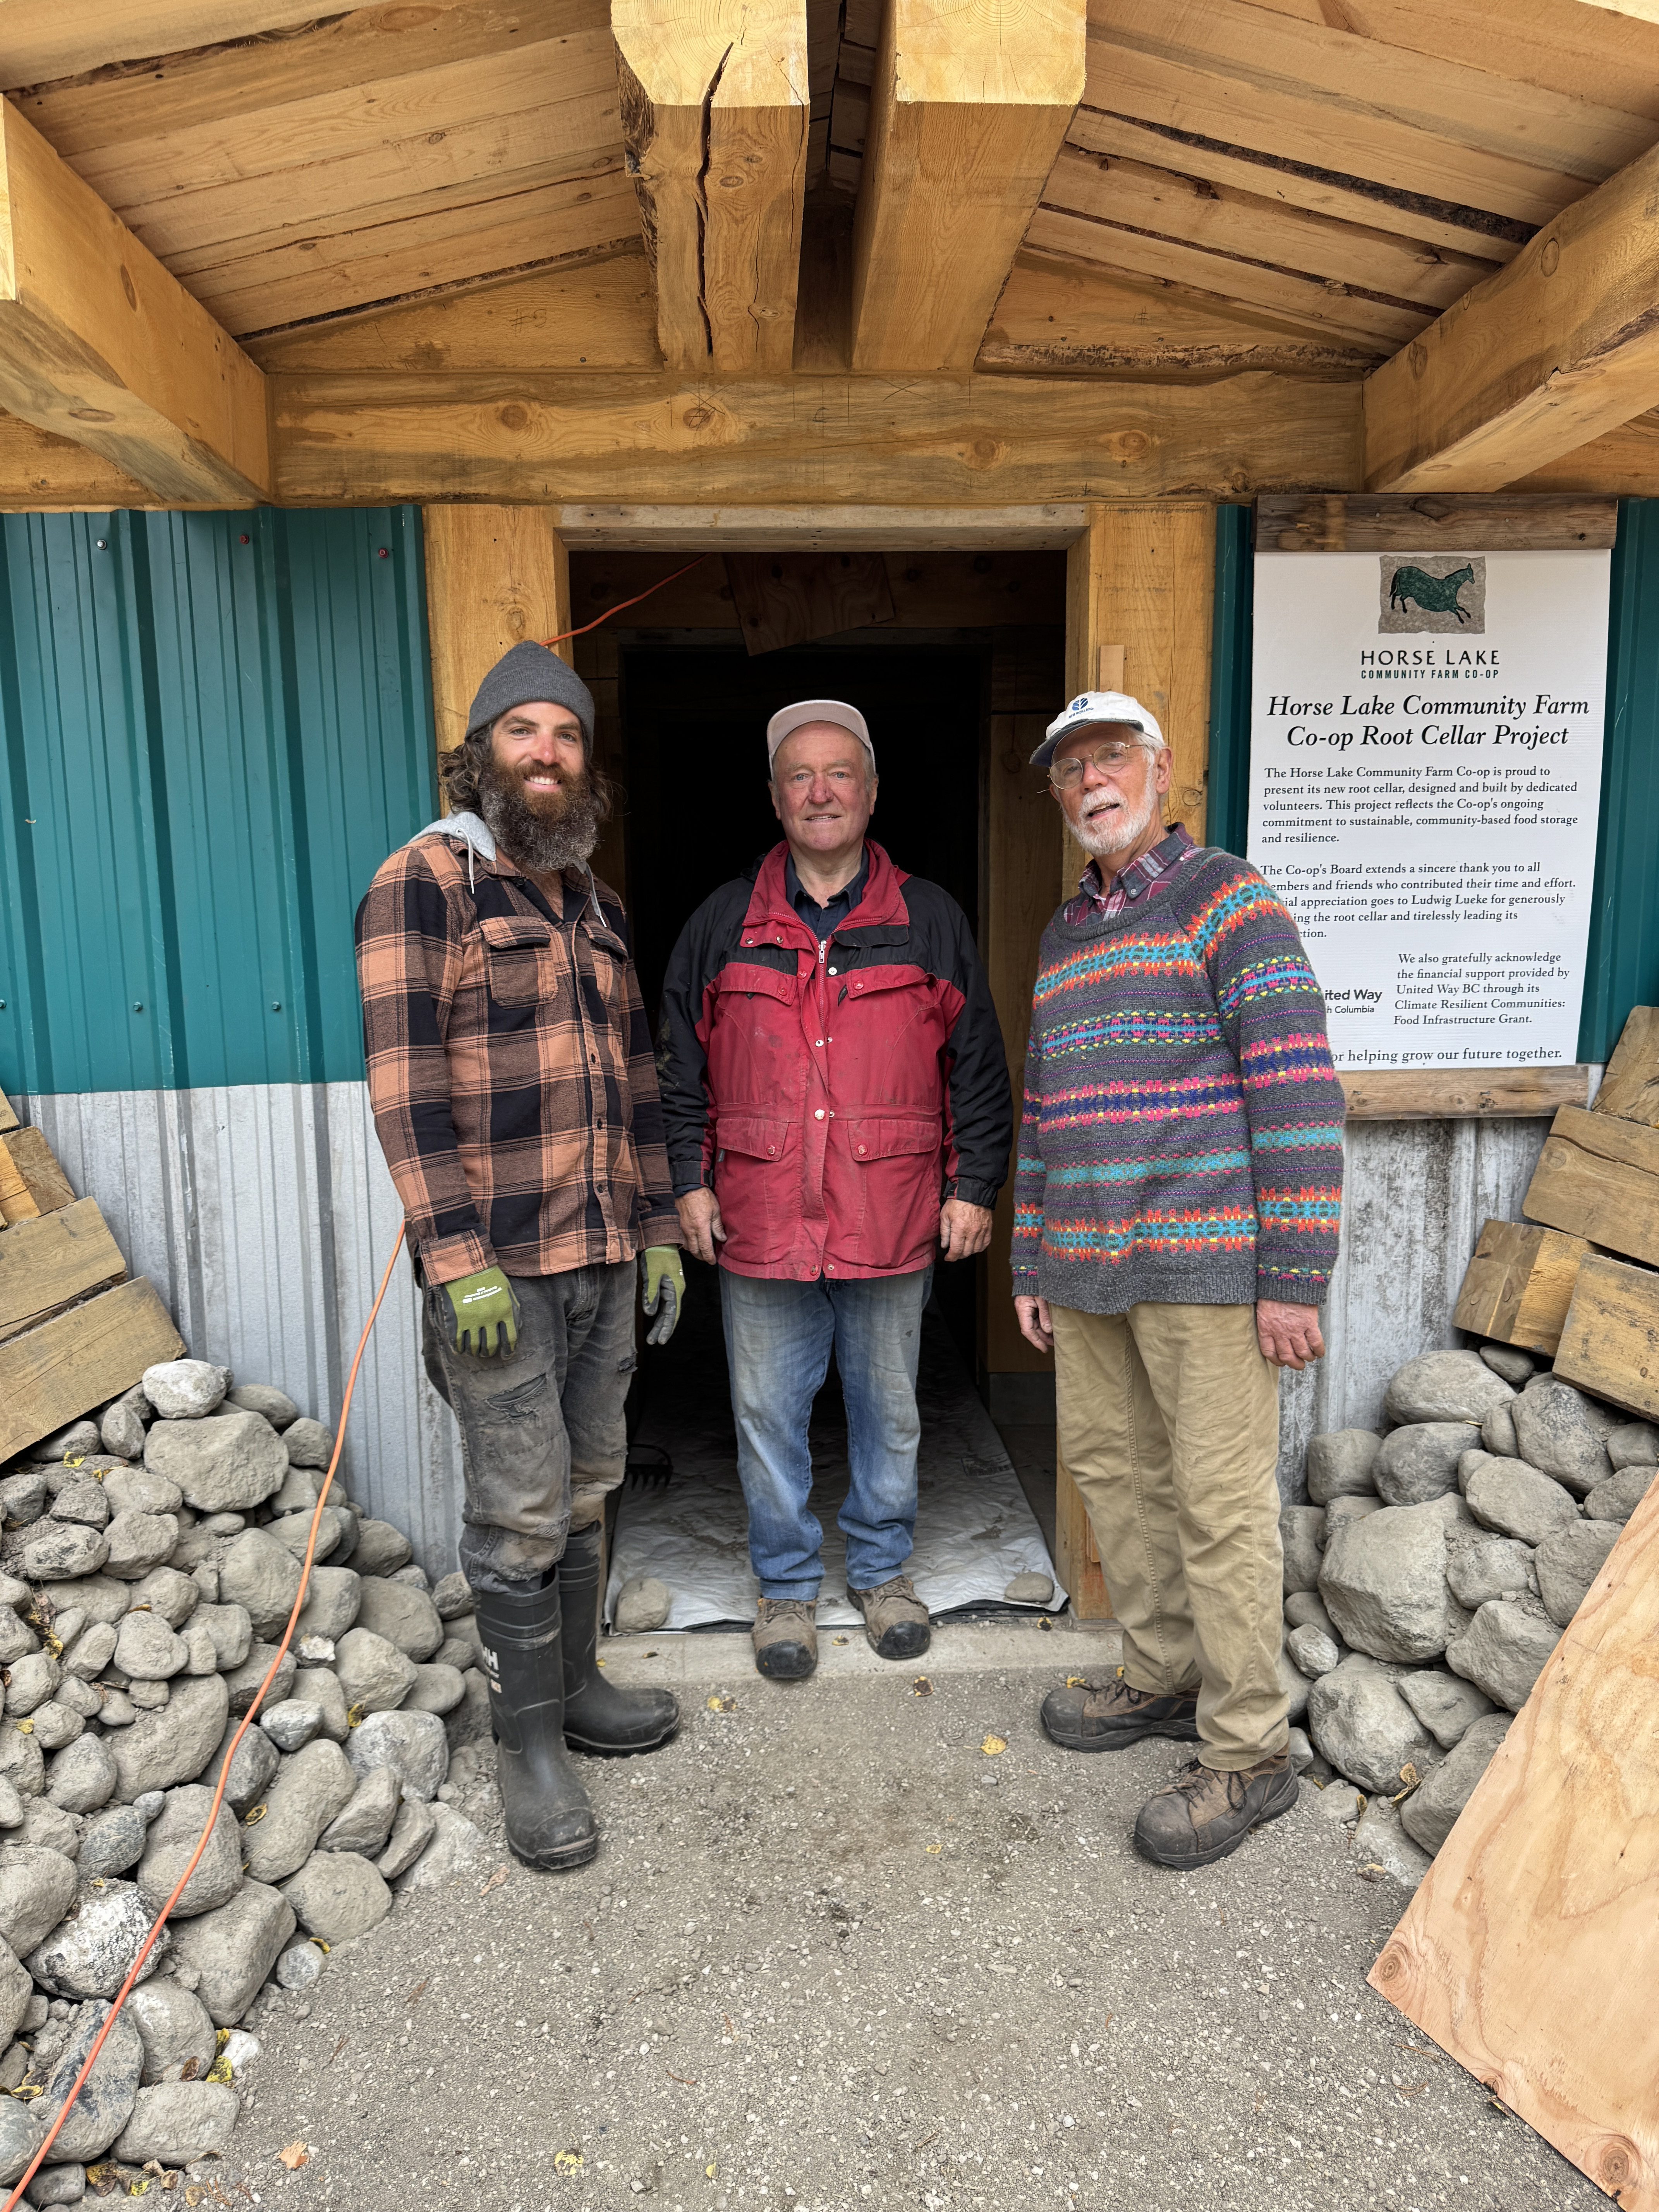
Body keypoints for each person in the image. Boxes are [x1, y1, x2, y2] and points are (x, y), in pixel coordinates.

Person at [356, 640, 684, 1875]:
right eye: (521, 732)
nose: (545, 754)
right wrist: (455, 1255)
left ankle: (583, 1683)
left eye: (565, 736)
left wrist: (657, 1230)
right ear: (480, 753)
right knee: (518, 1505)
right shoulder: (424, 883)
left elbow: (641, 1088)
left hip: (603, 1254)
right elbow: (405, 1089)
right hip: (500, 1269)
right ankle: (527, 1749)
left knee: (591, 1480)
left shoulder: (597, 907)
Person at [1013, 689, 1345, 1870]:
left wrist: (1294, 1272)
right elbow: (1044, 1107)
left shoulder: (1230, 900)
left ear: (1159, 771)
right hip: (1087, 1266)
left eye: (1109, 759)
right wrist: (1028, 1249)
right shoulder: (1064, 932)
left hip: (1209, 1271)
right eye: (1069, 770)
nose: (1090, 782)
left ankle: (1251, 1751)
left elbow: (1296, 1090)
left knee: (1216, 1505)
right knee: (1114, 1475)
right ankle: (1158, 1675)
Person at [657, 700, 1012, 1681]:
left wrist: (974, 1183)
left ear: (871, 792)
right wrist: (684, 1182)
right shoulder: (723, 922)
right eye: (800, 776)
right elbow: (675, 1066)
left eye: (840, 774)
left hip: (891, 1213)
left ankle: (884, 1571)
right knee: (766, 1412)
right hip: (762, 1215)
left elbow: (976, 1064)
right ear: (775, 798)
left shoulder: (927, 916)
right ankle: (784, 1588)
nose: (821, 792)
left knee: (889, 1408)